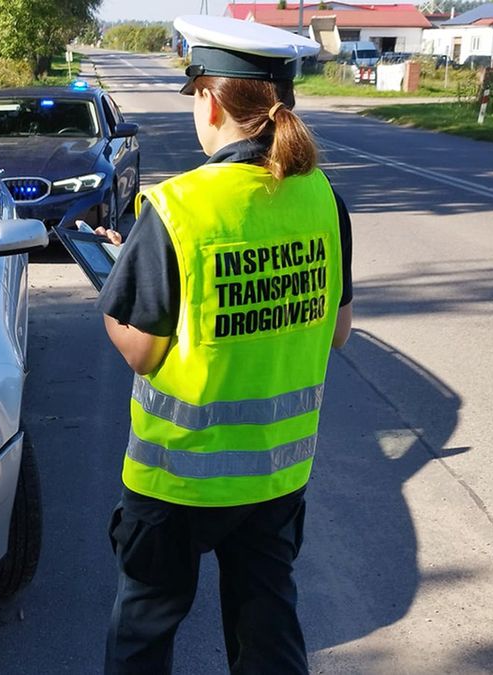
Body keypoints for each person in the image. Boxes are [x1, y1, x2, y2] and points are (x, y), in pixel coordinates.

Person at [94, 15, 354, 675]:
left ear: (210, 101)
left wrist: (116, 293)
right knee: (268, 632)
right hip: (275, 476)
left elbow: (143, 350)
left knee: (143, 635)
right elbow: (339, 329)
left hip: (176, 479)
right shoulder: (323, 198)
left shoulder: (177, 208)